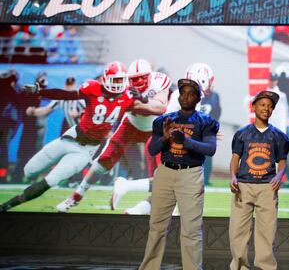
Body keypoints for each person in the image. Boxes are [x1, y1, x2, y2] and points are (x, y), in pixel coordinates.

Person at [0, 61, 150, 212]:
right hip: (70, 138)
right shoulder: (92, 87)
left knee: (51, 180)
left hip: (86, 150)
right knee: (30, 170)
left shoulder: (128, 96)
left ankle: (9, 204)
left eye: (120, 80)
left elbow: (148, 109)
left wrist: (144, 98)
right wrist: (40, 92)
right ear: (105, 78)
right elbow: (67, 95)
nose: (118, 84)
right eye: (115, 79)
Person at [55, 59, 170, 212]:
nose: (140, 81)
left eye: (143, 77)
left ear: (150, 75)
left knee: (162, 175)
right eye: (135, 78)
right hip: (131, 125)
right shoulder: (122, 86)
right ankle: (76, 196)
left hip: (156, 129)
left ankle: (141, 207)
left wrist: (142, 100)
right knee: (103, 161)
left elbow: (160, 107)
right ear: (129, 78)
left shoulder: (159, 80)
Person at [139, 78, 219, 270]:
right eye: (183, 92)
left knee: (191, 229)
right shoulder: (164, 120)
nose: (185, 96)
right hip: (165, 172)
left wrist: (186, 141)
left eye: (191, 93)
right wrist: (165, 138)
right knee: (156, 226)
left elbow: (210, 149)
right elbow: (152, 150)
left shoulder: (206, 121)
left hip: (190, 175)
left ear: (198, 98)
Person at [117, 62, 217, 214]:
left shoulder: (183, 93)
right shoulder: (189, 96)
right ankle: (126, 186)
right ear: (202, 79)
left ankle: (134, 211)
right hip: (167, 145)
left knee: (166, 193)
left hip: (163, 142)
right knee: (170, 187)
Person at [228, 90, 289, 270]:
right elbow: (235, 158)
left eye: (270, 107)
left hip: (267, 188)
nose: (266, 109)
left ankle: (266, 267)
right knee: (238, 232)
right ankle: (239, 267)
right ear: (253, 106)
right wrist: (233, 176)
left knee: (266, 234)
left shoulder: (279, 136)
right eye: (262, 105)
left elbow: (283, 160)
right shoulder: (242, 134)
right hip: (243, 186)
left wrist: (279, 176)